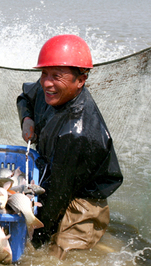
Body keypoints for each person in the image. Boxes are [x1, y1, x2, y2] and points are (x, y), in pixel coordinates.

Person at [16, 34, 123, 260]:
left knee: (54, 258)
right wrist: (27, 119)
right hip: (60, 178)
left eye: (56, 76)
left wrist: (34, 240)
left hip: (82, 199)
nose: (46, 83)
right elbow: (25, 97)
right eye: (44, 73)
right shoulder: (51, 91)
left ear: (81, 80)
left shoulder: (76, 134)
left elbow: (56, 197)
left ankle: (94, 228)